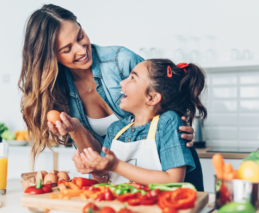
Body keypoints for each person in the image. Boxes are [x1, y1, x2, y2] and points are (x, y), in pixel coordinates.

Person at [18, 3, 199, 185]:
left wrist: (179, 124)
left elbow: (162, 93)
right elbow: (104, 161)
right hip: (128, 189)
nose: (81, 50)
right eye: (67, 49)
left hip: (172, 177)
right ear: (50, 57)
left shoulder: (121, 61)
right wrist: (78, 133)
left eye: (80, 37)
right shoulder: (58, 92)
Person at [72, 60, 207, 190]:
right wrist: (96, 170)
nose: (122, 82)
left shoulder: (168, 122)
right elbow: (102, 182)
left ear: (152, 98)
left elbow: (173, 181)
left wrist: (116, 165)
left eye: (132, 78)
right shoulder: (115, 129)